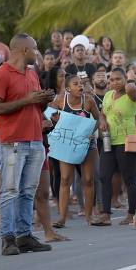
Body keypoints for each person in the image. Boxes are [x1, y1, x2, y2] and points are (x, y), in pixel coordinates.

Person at [0, 34, 54, 255]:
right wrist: (28, 100)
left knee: (27, 191)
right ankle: (8, 238)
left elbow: (34, 107)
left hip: (35, 139)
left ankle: (24, 236)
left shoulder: (32, 74)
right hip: (12, 141)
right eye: (35, 49)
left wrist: (43, 101)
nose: (37, 53)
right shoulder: (1, 74)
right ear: (24, 50)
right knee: (9, 191)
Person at [49, 74, 102, 227]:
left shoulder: (89, 101)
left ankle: (89, 216)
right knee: (65, 179)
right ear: (67, 88)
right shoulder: (60, 100)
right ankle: (62, 218)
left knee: (88, 180)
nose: (80, 86)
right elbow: (48, 113)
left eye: (81, 84)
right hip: (67, 143)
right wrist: (56, 120)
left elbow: (99, 119)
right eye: (75, 84)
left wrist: (92, 130)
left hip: (87, 143)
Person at [96, 68, 136, 226]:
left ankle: (132, 214)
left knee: (129, 178)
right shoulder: (108, 95)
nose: (114, 82)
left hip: (126, 140)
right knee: (104, 176)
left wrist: (130, 83)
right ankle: (106, 214)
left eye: (118, 79)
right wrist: (101, 121)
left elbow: (133, 90)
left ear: (125, 79)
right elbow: (103, 113)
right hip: (109, 141)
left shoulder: (131, 94)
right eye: (112, 80)